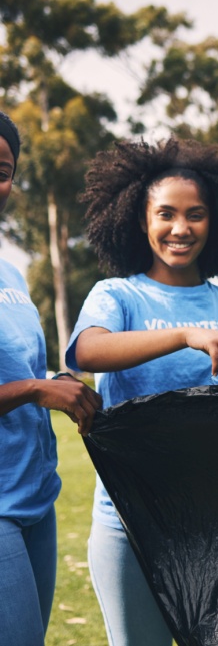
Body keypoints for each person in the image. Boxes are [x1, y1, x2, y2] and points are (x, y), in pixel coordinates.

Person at [65, 138, 218, 646]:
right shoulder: (117, 295)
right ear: (141, 219)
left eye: (195, 215)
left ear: (214, 222)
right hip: (128, 523)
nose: (180, 228)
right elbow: (88, 352)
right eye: (166, 214)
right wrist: (184, 335)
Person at [0, 110, 102, 646]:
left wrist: (53, 378)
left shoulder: (11, 272)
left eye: (2, 167)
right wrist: (38, 390)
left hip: (35, 496)